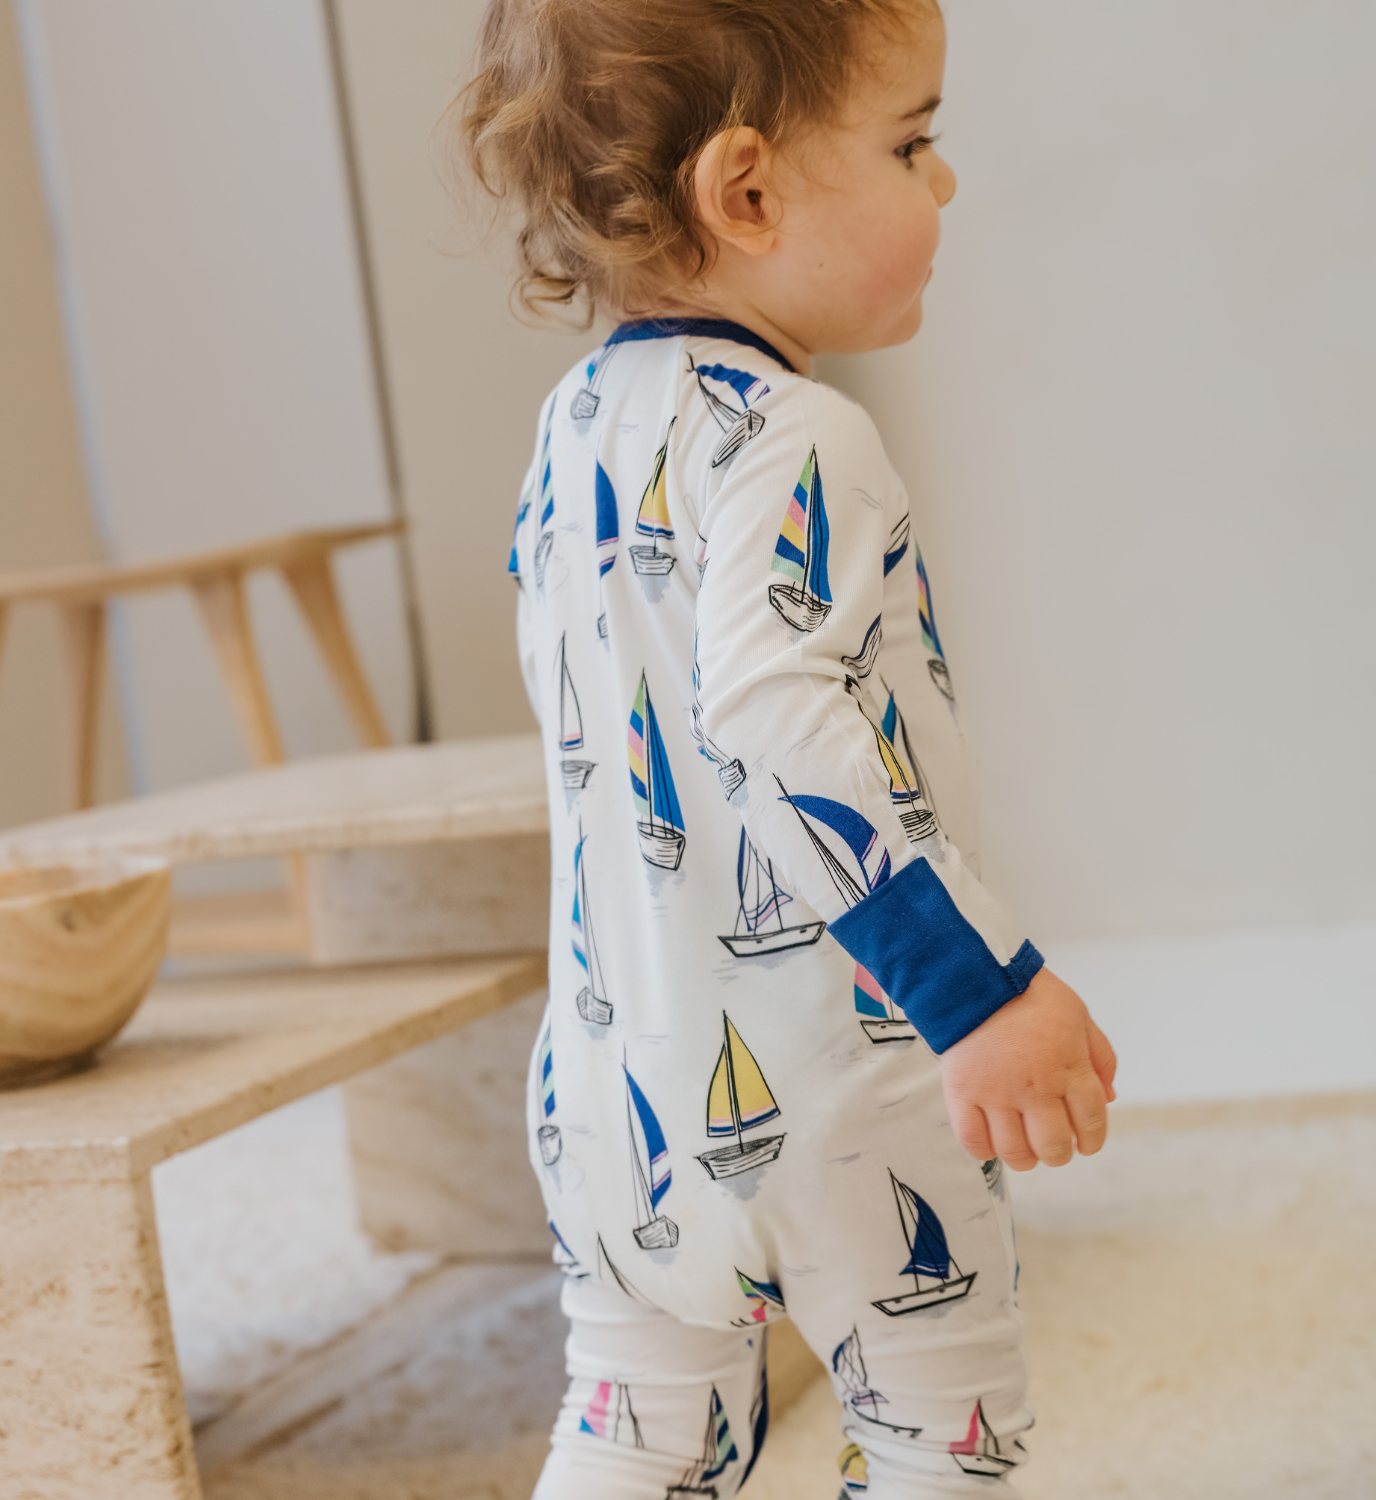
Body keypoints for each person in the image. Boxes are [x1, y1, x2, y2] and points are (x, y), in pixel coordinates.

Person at [457, 2, 1117, 1494]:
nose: (944, 180)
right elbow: (771, 722)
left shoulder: (573, 428)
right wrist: (975, 988)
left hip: (611, 1088)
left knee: (635, 1428)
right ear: (746, 192)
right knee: (939, 1433)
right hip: (838, 1080)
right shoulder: (800, 433)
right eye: (911, 143)